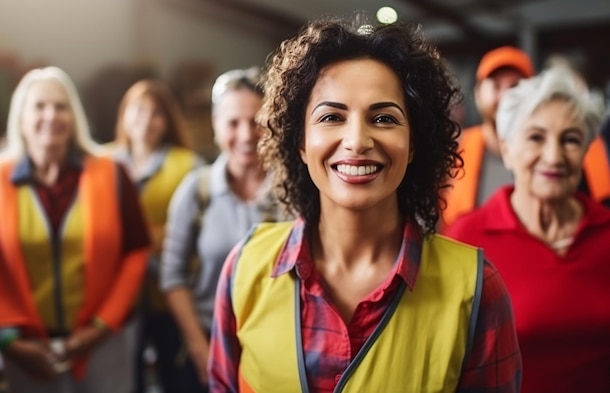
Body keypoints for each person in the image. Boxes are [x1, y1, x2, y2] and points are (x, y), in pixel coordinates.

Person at [208, 17, 522, 393]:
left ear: (414, 144)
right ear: (301, 143)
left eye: (384, 118)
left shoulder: (474, 289)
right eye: (331, 117)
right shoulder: (245, 269)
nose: (357, 140)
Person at [0, 66, 150, 392]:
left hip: (103, 343)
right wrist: (7, 342)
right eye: (40, 106)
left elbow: (136, 252)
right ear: (21, 117)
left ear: (74, 115)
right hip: (27, 350)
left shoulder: (112, 173)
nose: (51, 115)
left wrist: (100, 327)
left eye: (61, 106)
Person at [445, 66, 610, 392]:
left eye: (571, 140)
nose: (554, 156)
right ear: (506, 149)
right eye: (536, 137)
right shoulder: (466, 241)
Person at [160, 66, 284, 392]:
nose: (245, 135)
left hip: (277, 351)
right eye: (233, 123)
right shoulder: (195, 191)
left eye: (256, 122)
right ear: (216, 127)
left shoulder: (294, 192)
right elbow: (173, 276)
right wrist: (200, 348)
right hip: (205, 342)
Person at [442, 47, 610, 229]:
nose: (506, 96)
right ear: (478, 94)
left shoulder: (586, 146)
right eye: (496, 86)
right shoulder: (455, 149)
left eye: (515, 87)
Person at [109, 79, 204, 393]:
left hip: (172, 295)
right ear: (123, 115)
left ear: (168, 120)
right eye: (138, 110)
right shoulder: (102, 163)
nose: (146, 121)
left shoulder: (188, 165)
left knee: (177, 376)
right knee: (124, 379)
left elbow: (198, 230)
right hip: (117, 297)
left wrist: (140, 237)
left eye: (156, 113)